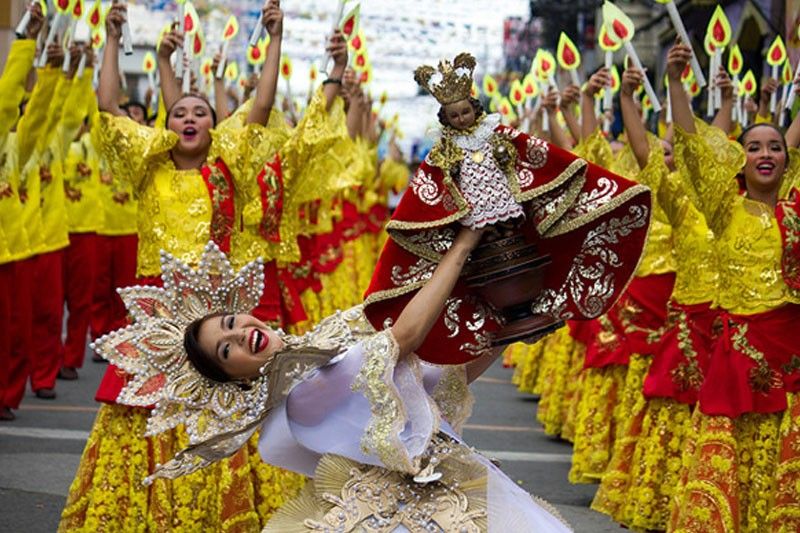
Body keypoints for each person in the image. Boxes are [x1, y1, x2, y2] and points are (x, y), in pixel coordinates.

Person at [94, 235, 573, 532]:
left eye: (232, 321)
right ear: (233, 379)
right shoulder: (301, 393)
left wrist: (505, 336)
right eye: (227, 349)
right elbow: (404, 338)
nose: (241, 333)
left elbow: (436, 381)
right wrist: (463, 248)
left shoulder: (314, 348)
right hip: (422, 511)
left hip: (439, 490)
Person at [363, 53, 652, 366]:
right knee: (485, 256)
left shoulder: (494, 133)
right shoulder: (445, 149)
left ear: (474, 109)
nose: (461, 119)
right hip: (472, 213)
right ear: (446, 119)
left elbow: (530, 153)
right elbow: (433, 182)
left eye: (464, 112)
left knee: (515, 244)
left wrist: (508, 159)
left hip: (505, 205)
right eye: (454, 116)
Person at [665, 41, 800, 532]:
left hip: (792, 352)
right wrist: (677, 83)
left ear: (789, 160)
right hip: (739, 354)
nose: (766, 154)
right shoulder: (724, 210)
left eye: (776, 147)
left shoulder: (797, 212)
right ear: (738, 162)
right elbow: (693, 150)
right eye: (754, 147)